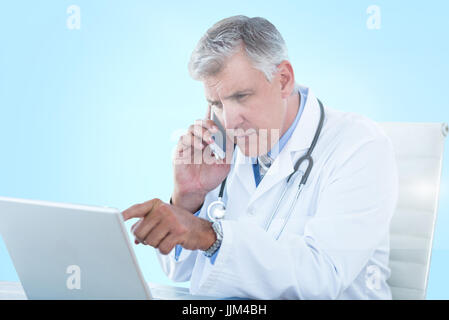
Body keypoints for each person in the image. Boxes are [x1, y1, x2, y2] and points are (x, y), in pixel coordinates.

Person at [121, 15, 398, 299]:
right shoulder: (219, 148)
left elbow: (323, 277)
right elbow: (181, 273)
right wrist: (188, 199)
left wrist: (209, 235)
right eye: (216, 104)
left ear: (283, 80)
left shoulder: (359, 146)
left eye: (241, 96)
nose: (229, 121)